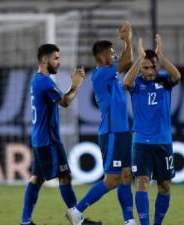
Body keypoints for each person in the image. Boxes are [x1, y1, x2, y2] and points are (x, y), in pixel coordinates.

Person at [20, 44, 100, 225]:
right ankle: (77, 219)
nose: (58, 62)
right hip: (49, 141)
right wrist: (76, 86)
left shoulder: (37, 79)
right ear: (44, 59)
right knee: (64, 176)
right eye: (55, 58)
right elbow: (64, 102)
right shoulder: (45, 82)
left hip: (41, 138)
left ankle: (25, 221)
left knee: (37, 178)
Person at [66, 22, 135, 225]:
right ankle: (77, 211)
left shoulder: (110, 74)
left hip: (122, 131)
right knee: (112, 180)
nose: (114, 56)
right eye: (112, 53)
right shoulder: (101, 73)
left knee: (125, 175)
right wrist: (128, 40)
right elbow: (128, 61)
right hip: (112, 132)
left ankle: (129, 221)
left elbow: (125, 63)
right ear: (102, 56)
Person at [122, 35, 181, 225]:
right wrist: (139, 59)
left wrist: (161, 56)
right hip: (141, 142)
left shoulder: (165, 81)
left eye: (153, 66)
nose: (149, 71)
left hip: (164, 142)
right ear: (140, 67)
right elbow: (125, 83)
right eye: (145, 67)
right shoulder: (136, 83)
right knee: (142, 183)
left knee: (165, 186)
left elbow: (177, 76)